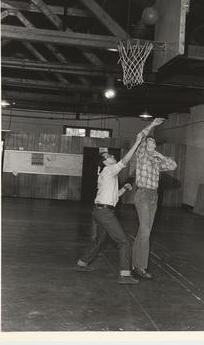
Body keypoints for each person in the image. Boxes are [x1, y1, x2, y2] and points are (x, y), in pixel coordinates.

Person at [75, 131, 144, 285]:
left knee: (100, 240)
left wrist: (124, 189)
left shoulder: (107, 174)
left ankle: (82, 263)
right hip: (105, 213)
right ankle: (125, 275)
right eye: (110, 157)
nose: (113, 157)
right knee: (124, 242)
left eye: (112, 155)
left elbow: (113, 198)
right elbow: (126, 160)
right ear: (105, 162)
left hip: (100, 210)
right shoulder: (109, 170)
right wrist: (138, 141)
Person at [132, 118, 177, 279]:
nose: (150, 142)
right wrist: (151, 126)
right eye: (148, 141)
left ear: (155, 146)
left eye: (152, 141)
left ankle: (135, 263)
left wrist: (159, 155)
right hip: (143, 194)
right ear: (145, 145)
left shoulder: (157, 160)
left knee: (144, 232)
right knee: (145, 231)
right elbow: (140, 135)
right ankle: (141, 267)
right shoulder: (141, 154)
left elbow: (173, 166)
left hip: (153, 196)